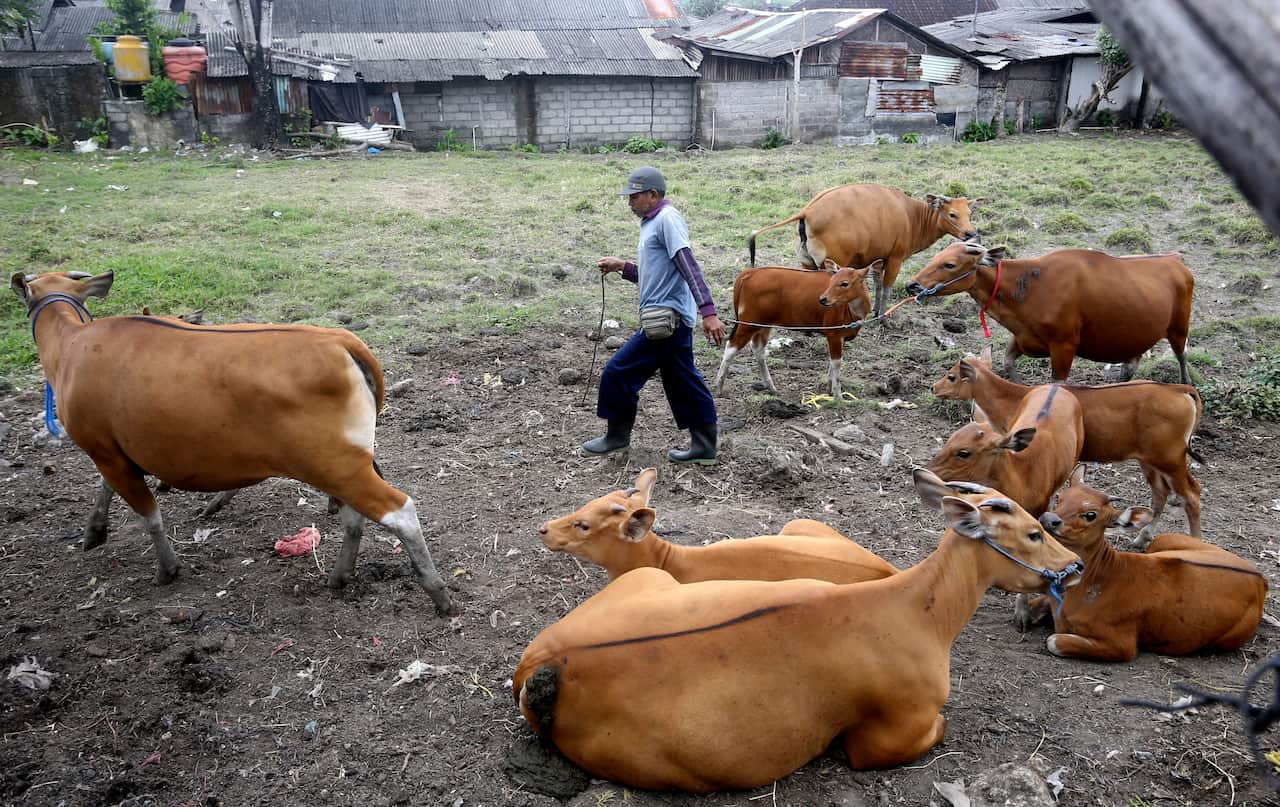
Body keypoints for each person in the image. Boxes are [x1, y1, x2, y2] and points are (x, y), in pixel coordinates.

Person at [582, 166, 726, 465]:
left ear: (653, 194)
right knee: (682, 381)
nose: (630, 202)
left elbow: (688, 265)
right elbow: (655, 275)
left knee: (618, 372)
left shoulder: (667, 220)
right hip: (667, 318)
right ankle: (703, 446)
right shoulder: (651, 223)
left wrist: (708, 312)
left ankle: (616, 437)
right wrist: (623, 266)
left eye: (634, 197)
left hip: (667, 320)